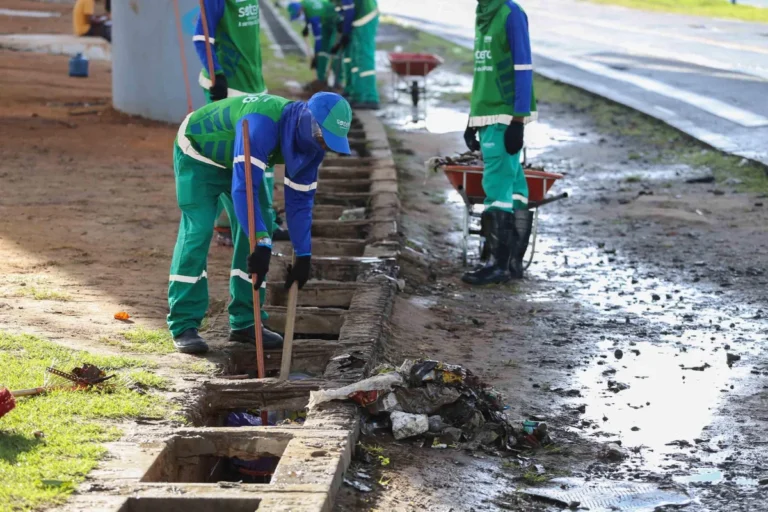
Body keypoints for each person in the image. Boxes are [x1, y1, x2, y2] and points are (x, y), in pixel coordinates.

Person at [168, 92, 353, 354]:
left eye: (328, 144)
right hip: (199, 152)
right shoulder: (260, 124)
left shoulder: (312, 146)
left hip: (238, 159)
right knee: (198, 229)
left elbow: (300, 203)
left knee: (258, 225)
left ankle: (245, 322)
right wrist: (262, 241)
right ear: (308, 120)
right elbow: (244, 189)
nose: (322, 146)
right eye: (322, 138)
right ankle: (184, 323)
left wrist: (303, 254)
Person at [461, 0, 536, 286]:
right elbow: (484, 74)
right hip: (487, 114)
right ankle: (512, 261)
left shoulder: (510, 14)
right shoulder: (484, 14)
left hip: (503, 115)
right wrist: (472, 119)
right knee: (515, 186)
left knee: (496, 189)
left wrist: (517, 121)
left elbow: (523, 67)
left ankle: (497, 264)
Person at [333, 0, 379, 109]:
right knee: (352, 58)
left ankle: (369, 97)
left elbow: (349, 8)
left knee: (363, 58)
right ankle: (353, 91)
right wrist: (342, 22)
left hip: (365, 17)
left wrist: (346, 31)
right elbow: (342, 9)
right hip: (357, 17)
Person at [287, 1, 339, 84]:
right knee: (323, 51)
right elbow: (307, 14)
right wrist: (306, 25)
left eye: (297, 15)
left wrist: (316, 57)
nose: (298, 17)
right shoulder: (305, 4)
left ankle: (337, 82)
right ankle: (321, 79)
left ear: (300, 9)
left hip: (335, 19)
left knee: (332, 50)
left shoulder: (314, 16)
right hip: (327, 19)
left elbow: (318, 39)